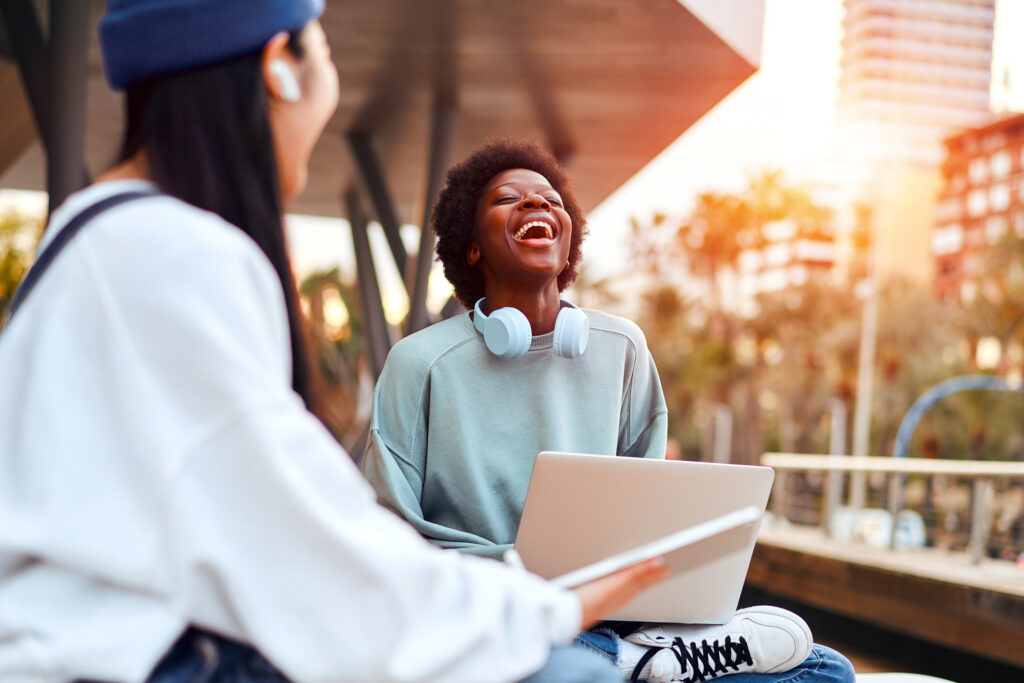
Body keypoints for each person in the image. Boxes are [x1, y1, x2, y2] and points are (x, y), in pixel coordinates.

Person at [0, 2, 670, 682]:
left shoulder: (99, 239)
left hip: (113, 644)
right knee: (570, 674)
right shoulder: (171, 258)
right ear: (278, 71)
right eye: (324, 61)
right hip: (122, 661)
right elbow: (323, 567)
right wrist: (545, 609)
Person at [362, 139, 857, 683]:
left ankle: (644, 655)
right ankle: (638, 664)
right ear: (471, 246)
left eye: (551, 200)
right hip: (493, 612)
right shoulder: (420, 363)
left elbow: (647, 509)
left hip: (611, 606)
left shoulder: (621, 346)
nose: (537, 206)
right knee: (573, 664)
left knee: (827, 671)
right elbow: (391, 535)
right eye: (509, 199)